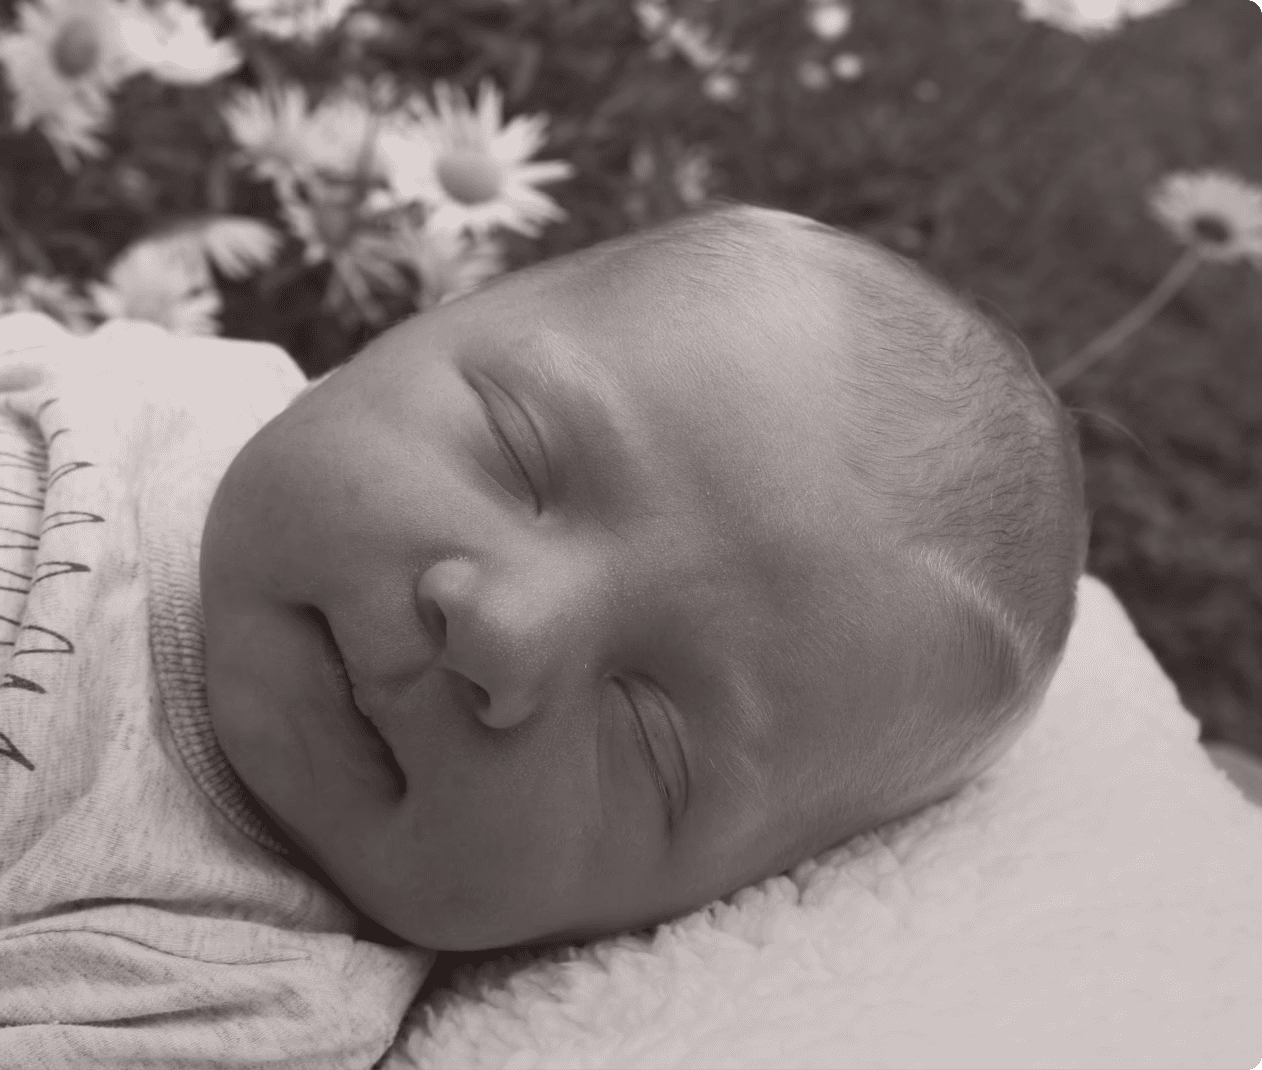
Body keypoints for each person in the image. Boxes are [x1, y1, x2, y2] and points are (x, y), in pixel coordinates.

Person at [0, 203, 1087, 1068]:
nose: (502, 630)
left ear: (646, 919)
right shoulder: (177, 389)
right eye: (516, 453)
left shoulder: (238, 983)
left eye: (646, 733)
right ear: (416, 327)